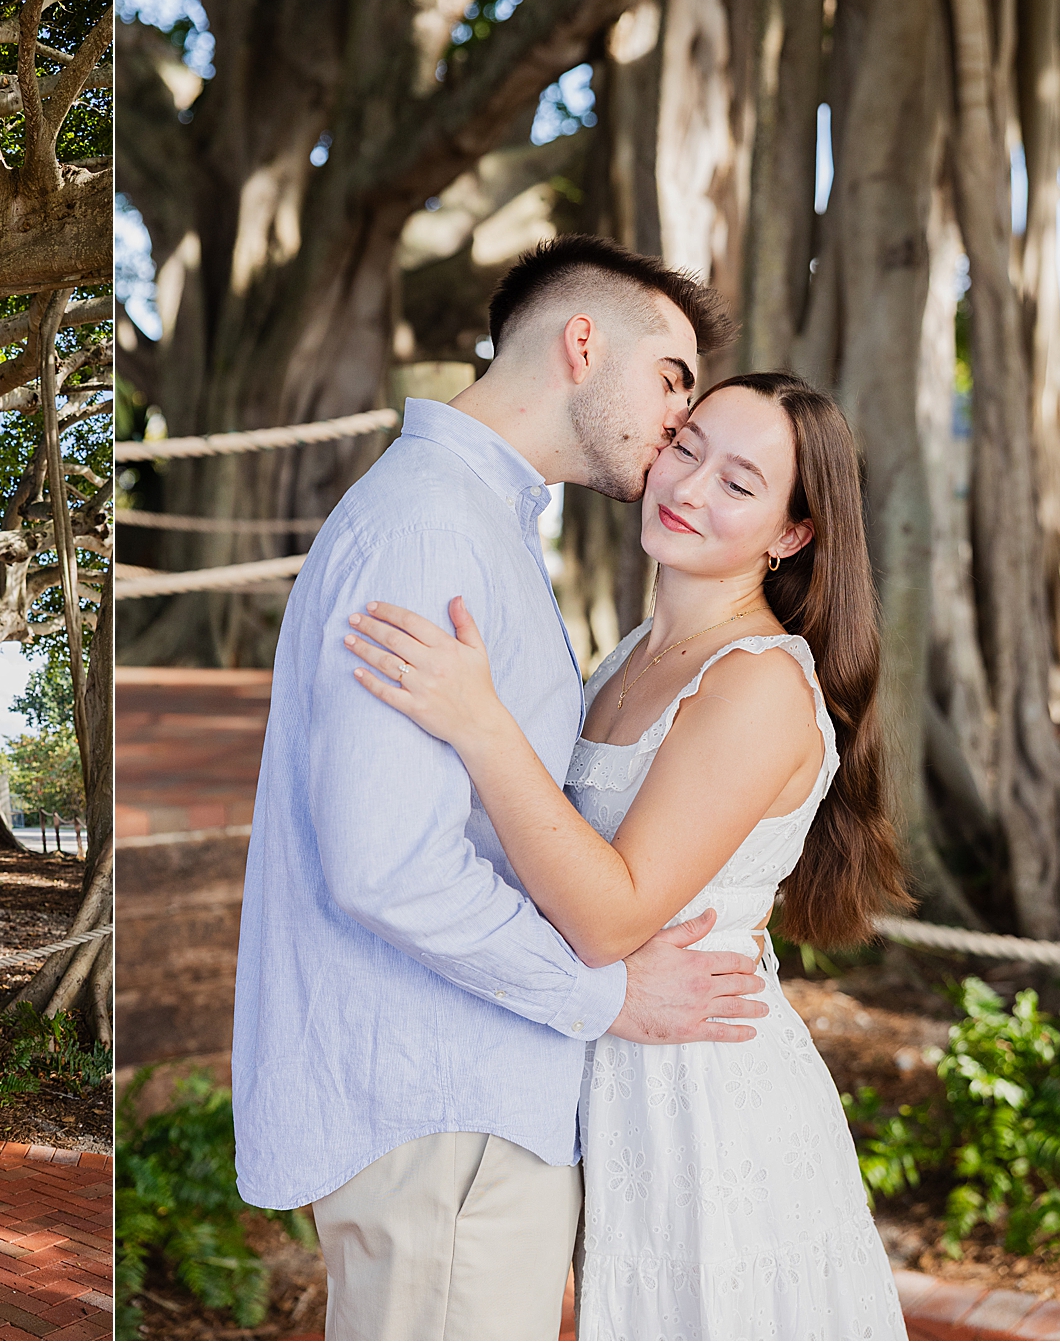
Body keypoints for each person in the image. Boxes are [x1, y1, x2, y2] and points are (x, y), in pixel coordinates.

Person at [232, 235, 771, 1342]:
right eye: (670, 378)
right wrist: (607, 997)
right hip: (445, 1109)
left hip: (467, 1103)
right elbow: (387, 865)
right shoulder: (432, 525)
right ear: (582, 344)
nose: (679, 419)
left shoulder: (472, 519)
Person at [347, 372, 910, 1338]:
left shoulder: (759, 684)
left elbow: (612, 914)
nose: (688, 487)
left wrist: (480, 724)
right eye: (686, 447)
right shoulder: (632, 653)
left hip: (704, 1094)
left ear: (792, 535)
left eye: (740, 483)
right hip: (612, 1063)